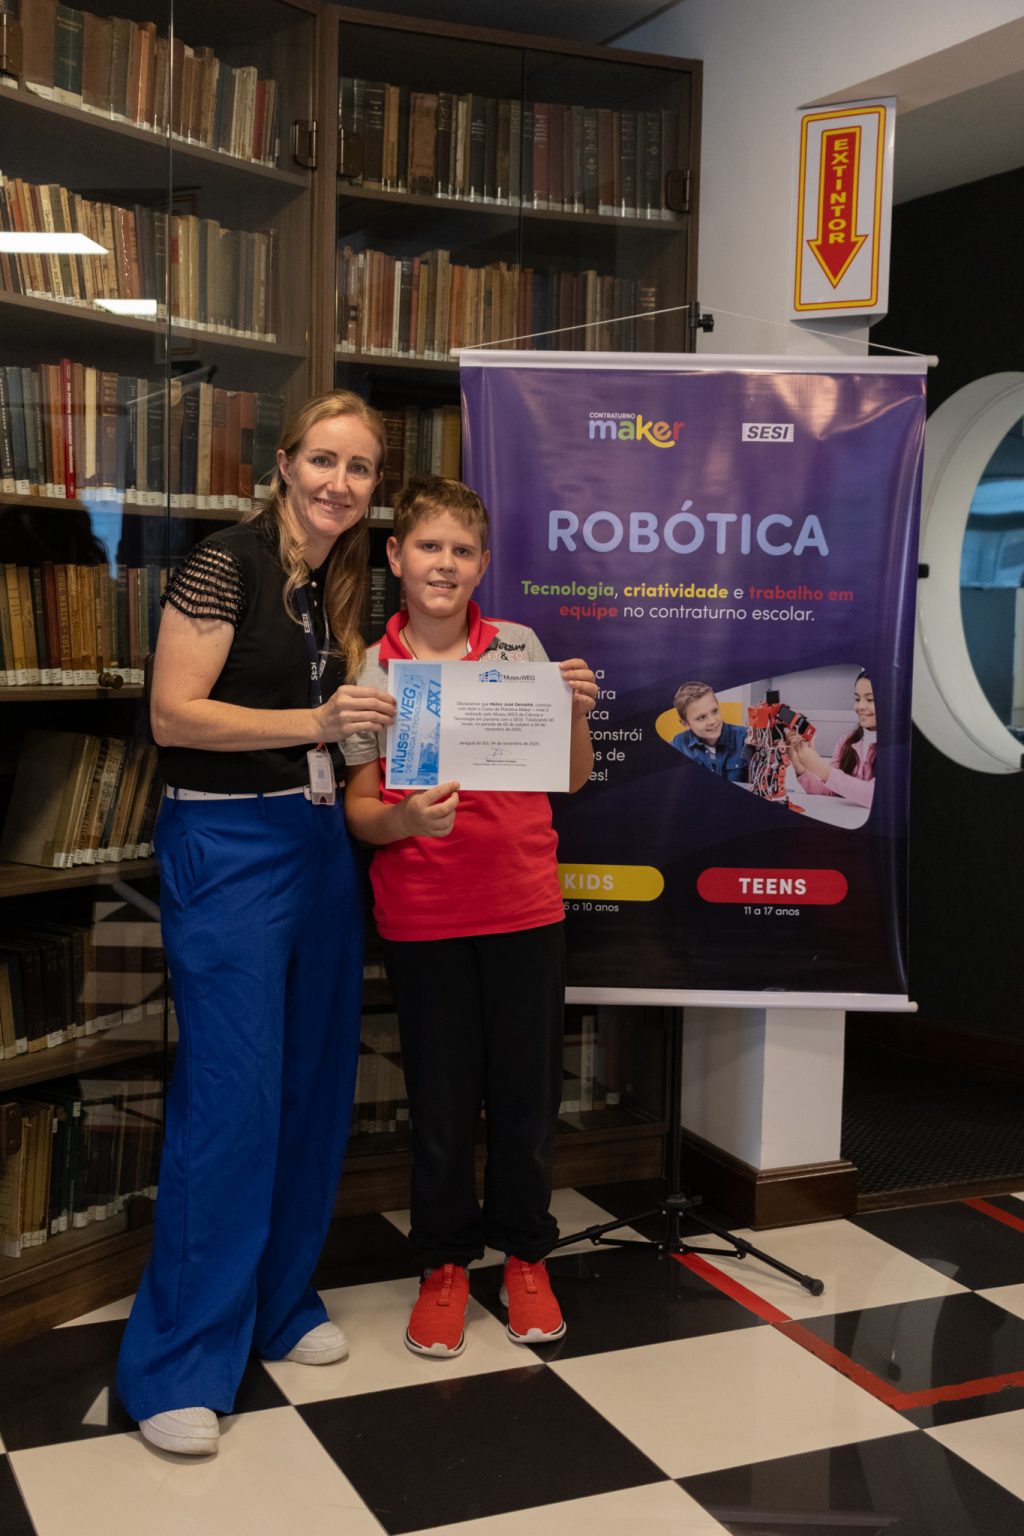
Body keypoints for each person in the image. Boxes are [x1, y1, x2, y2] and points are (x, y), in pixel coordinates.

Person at [116, 390, 397, 1457]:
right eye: (322, 460)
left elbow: (347, 732)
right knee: (232, 1097)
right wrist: (317, 720)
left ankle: (278, 1303)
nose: (338, 482)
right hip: (227, 842)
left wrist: (403, 747)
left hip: (319, 840)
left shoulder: (342, 582)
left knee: (313, 1083)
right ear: (283, 465)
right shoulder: (222, 564)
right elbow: (173, 715)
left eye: (358, 468)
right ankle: (178, 1365)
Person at [343, 475, 597, 1358]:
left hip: (524, 907)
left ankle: (526, 1254)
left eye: (461, 550)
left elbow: (570, 776)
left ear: (483, 564)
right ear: (396, 557)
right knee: (443, 1105)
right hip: (425, 915)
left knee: (526, 1099)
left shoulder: (520, 647)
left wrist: (575, 714)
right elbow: (360, 809)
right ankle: (444, 1265)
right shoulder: (371, 670)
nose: (444, 564)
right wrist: (404, 821)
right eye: (428, 547)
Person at [786, 671, 876, 808]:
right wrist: (800, 767)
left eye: (870, 699)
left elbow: (877, 796)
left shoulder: (900, 747)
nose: (860, 706)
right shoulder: (846, 742)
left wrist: (821, 768)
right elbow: (831, 792)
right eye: (857, 699)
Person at [670, 680, 749, 781]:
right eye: (701, 717)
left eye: (715, 711)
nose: (712, 721)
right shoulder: (678, 745)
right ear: (685, 724)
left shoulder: (745, 738)